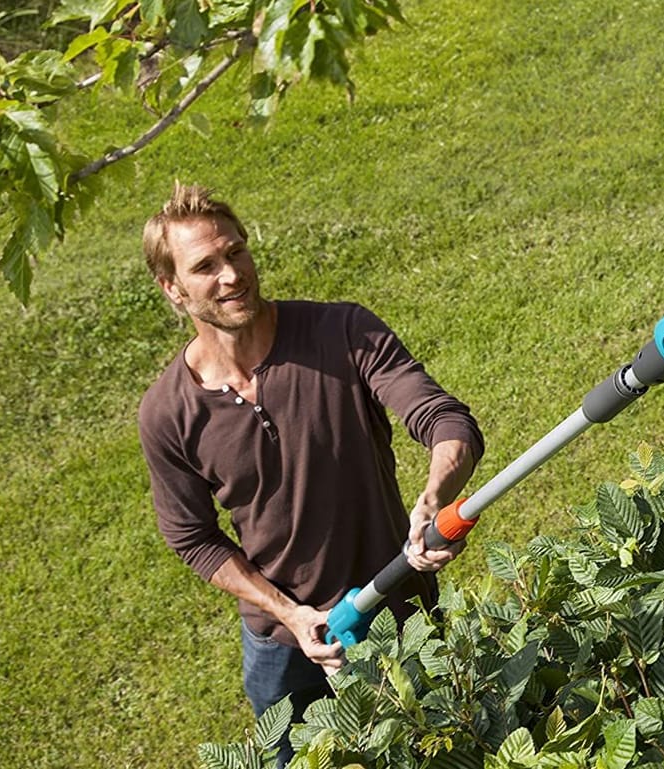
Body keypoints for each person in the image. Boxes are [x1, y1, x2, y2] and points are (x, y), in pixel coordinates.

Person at [136, 183, 482, 763]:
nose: (232, 275)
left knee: (442, 752)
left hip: (398, 608)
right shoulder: (169, 412)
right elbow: (190, 536)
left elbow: (445, 420)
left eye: (237, 251)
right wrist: (287, 613)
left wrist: (436, 493)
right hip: (283, 647)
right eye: (206, 266)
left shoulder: (343, 333)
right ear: (172, 289)